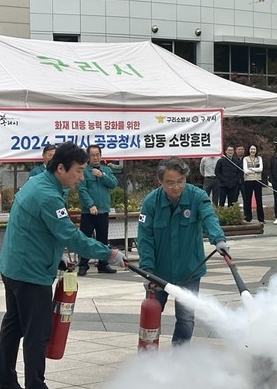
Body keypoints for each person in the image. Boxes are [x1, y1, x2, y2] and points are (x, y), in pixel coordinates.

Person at [0, 142, 126, 389]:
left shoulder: (38, 183)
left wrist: (58, 256)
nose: (81, 177)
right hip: (30, 273)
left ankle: (5, 381)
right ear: (61, 168)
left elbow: (38, 228)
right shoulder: (48, 195)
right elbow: (70, 235)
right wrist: (108, 252)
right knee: (37, 331)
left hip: (14, 266)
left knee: (14, 325)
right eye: (78, 171)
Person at [137, 157, 228, 345]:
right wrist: (147, 271)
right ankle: (148, 352)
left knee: (186, 318)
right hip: (159, 271)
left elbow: (209, 217)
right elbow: (145, 239)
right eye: (170, 183)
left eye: (180, 181)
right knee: (152, 313)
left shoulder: (197, 196)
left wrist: (218, 239)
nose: (176, 187)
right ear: (160, 181)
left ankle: (180, 354)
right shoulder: (151, 202)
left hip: (189, 270)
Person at [77, 144, 119, 275]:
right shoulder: (84, 171)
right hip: (88, 212)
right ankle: (83, 265)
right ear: (88, 157)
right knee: (85, 239)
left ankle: (103, 264)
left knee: (102, 239)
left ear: (101, 156)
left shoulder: (106, 170)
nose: (95, 158)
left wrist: (102, 175)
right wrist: (90, 205)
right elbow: (82, 190)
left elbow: (113, 184)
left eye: (97, 155)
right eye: (92, 155)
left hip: (103, 210)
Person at [241, 144, 265, 223]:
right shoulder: (245, 159)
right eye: (251, 149)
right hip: (248, 180)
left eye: (254, 149)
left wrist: (251, 169)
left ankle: (261, 218)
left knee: (259, 199)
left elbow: (260, 169)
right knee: (248, 199)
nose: (253, 151)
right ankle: (248, 217)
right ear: (249, 150)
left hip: (258, 180)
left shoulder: (259, 158)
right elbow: (245, 170)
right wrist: (255, 170)